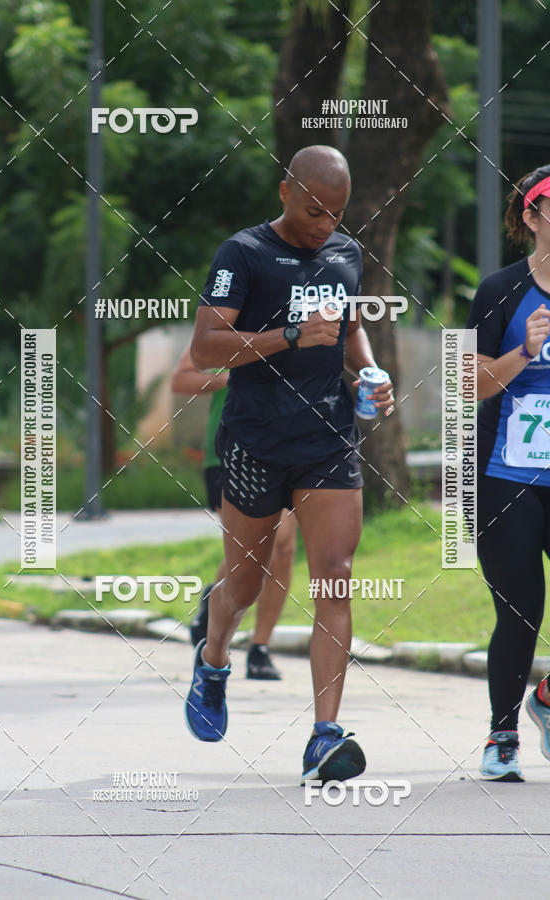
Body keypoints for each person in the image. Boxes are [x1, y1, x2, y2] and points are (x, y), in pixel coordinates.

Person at [183, 145, 394, 784]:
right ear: (284, 192)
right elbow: (204, 347)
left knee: (335, 573)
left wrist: (370, 372)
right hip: (255, 440)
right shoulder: (242, 254)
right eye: (313, 211)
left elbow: (350, 324)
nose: (324, 225)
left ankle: (324, 735)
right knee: (243, 584)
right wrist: (290, 336)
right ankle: (214, 657)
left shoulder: (346, 254)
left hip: (327, 438)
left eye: (336, 213)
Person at [468, 164, 550, 781]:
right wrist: (522, 351)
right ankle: (503, 737)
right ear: (532, 216)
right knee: (519, 611)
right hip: (508, 476)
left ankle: (547, 698)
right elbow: (465, 384)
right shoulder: (498, 290)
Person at [171, 344, 298, 679]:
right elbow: (182, 380)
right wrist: (233, 379)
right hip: (231, 452)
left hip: (291, 449)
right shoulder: (229, 320)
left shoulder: (307, 316)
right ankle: (216, 605)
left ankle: (259, 648)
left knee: (281, 548)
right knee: (258, 544)